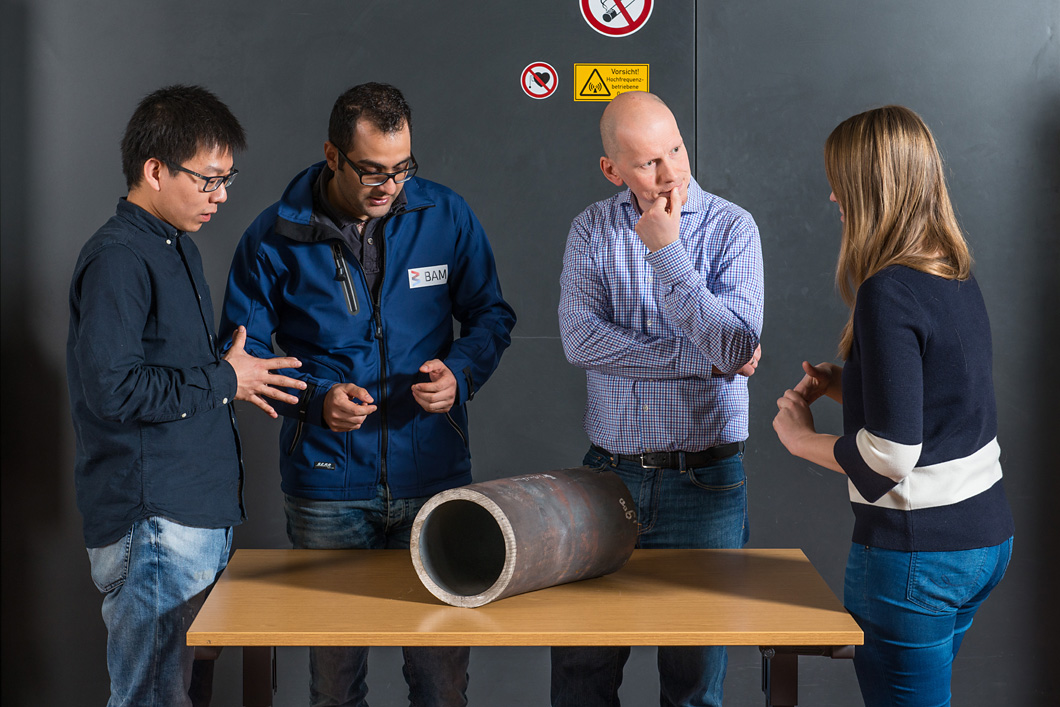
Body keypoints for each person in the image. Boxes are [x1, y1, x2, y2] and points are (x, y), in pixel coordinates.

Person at [219, 82, 516, 707]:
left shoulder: (445, 216)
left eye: (403, 169)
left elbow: (491, 315)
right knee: (334, 685)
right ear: (333, 155)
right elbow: (244, 353)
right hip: (328, 487)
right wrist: (316, 399)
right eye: (373, 171)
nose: (390, 186)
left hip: (432, 476)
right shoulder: (273, 237)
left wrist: (459, 373)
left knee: (441, 686)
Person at [67, 85, 307, 707]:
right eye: (208, 180)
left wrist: (235, 373)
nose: (221, 196)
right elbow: (113, 390)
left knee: (187, 692)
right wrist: (229, 379)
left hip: (194, 519)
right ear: (154, 170)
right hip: (154, 527)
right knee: (153, 697)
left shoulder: (178, 249)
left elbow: (183, 374)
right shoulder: (119, 258)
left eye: (228, 180)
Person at [772, 105, 1015, 707]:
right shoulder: (951, 269)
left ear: (869, 188)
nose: (832, 196)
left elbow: (890, 458)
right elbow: (948, 400)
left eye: (840, 181)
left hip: (918, 559)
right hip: (985, 543)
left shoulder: (887, 291)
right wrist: (851, 382)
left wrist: (799, 437)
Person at [555, 90, 763, 707]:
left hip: (706, 486)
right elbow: (577, 339)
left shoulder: (732, 227)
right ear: (611, 169)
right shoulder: (590, 229)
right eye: (648, 162)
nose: (671, 171)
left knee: (695, 687)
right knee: (581, 676)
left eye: (676, 150)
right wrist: (695, 358)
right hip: (607, 481)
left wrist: (667, 254)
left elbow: (733, 345)